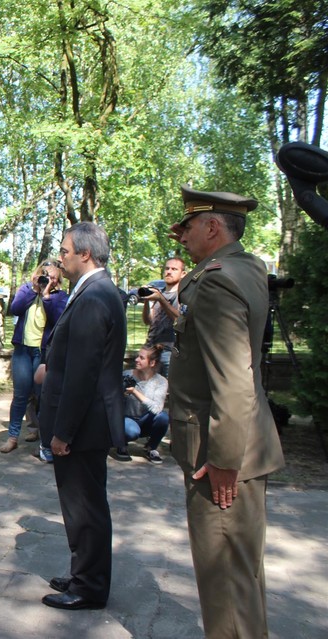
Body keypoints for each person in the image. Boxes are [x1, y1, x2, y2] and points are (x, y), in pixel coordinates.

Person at [168, 186, 284, 638]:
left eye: (190, 226)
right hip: (243, 448)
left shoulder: (215, 279)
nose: (184, 237)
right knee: (242, 576)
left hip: (221, 458)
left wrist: (222, 461)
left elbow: (233, 383)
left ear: (212, 227)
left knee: (226, 590)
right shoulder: (245, 268)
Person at [39, 222, 126, 611]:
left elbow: (83, 373)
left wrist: (63, 432)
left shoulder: (94, 295)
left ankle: (89, 587)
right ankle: (84, 572)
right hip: (86, 422)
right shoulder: (94, 290)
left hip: (82, 425)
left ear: (85, 254)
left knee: (85, 506)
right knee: (82, 505)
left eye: (66, 250)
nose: (61, 257)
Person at [2, 261, 67, 457]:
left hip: (44, 354)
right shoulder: (26, 290)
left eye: (54, 278)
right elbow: (15, 308)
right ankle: (13, 437)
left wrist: (46, 296)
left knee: (43, 396)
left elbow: (59, 320)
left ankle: (45, 437)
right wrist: (34, 289)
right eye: (46, 275)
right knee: (20, 395)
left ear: (59, 280)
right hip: (23, 350)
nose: (49, 280)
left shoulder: (60, 297)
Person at [113, 344, 169, 464]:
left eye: (141, 358)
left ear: (152, 363)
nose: (136, 360)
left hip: (146, 419)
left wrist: (135, 392)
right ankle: (121, 443)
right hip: (127, 419)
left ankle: (151, 448)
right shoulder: (126, 374)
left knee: (163, 417)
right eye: (137, 356)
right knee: (132, 431)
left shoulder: (161, 382)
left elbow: (157, 409)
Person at [140, 257, 185, 377]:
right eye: (167, 268)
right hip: (150, 348)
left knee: (166, 390)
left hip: (169, 351)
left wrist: (161, 299)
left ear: (183, 274)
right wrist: (146, 301)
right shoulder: (159, 292)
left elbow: (179, 319)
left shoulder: (182, 295)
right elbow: (148, 321)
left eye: (174, 269)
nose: (169, 271)